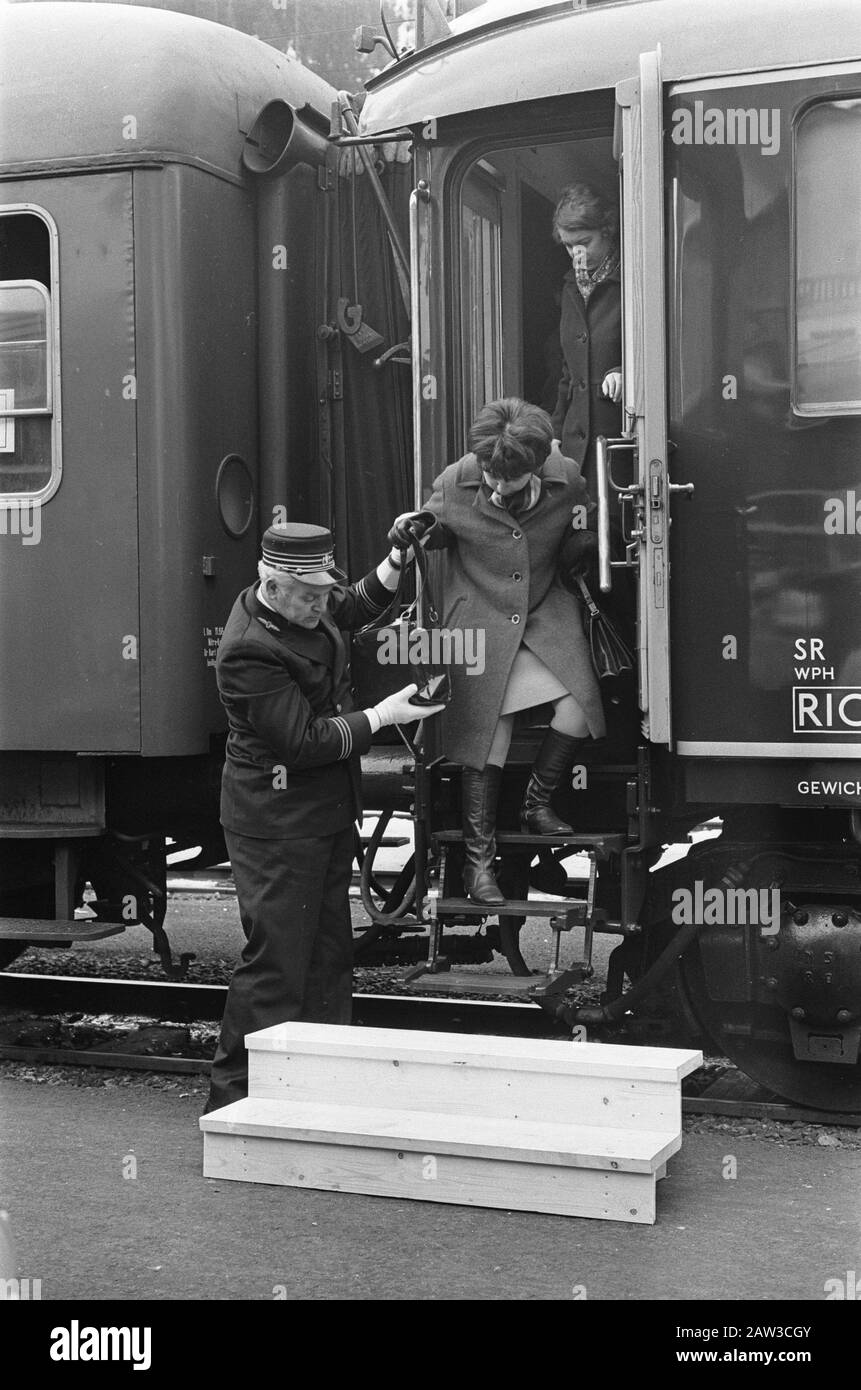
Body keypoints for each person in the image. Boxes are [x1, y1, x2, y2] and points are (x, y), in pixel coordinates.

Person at [205, 522, 444, 1112]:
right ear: (273, 583)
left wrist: (393, 559)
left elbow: (350, 606)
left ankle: (312, 1091)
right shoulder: (247, 651)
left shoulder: (300, 606)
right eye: (309, 595)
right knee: (278, 965)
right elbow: (304, 743)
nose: (322, 605)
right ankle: (233, 1101)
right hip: (276, 821)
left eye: (322, 592)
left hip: (323, 815)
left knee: (329, 958)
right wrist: (385, 715)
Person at [389, 398, 605, 907]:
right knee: (490, 727)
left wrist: (586, 543)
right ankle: (477, 865)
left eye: (508, 480)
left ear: (535, 466)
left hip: (543, 611)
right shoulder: (456, 480)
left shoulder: (567, 480)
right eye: (489, 474)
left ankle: (537, 803)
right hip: (481, 618)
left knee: (580, 706)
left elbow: (583, 522)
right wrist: (413, 528)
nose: (495, 486)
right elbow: (436, 530)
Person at [550, 182, 622, 486]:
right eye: (568, 246)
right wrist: (553, 437)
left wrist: (625, 372)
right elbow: (569, 374)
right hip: (575, 446)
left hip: (619, 439)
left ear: (607, 230)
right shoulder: (570, 288)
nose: (576, 254)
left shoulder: (633, 278)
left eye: (583, 242)